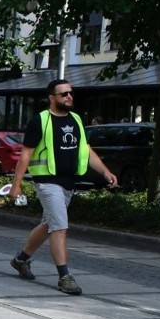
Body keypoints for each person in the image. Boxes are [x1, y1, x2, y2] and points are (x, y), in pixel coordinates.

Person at [9, 79, 118, 295]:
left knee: (48, 224)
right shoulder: (40, 120)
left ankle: (21, 259)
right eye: (63, 94)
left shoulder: (77, 119)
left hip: (69, 182)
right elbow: (26, 155)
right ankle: (64, 277)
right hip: (47, 182)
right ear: (52, 97)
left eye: (70, 93)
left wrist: (105, 171)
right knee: (60, 227)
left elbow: (86, 150)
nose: (69, 97)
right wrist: (16, 185)